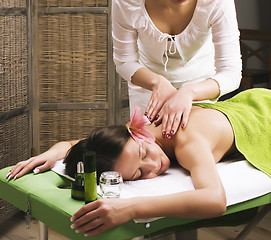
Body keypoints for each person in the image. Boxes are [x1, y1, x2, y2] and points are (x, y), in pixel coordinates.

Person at [7, 88, 271, 237]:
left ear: (140, 133)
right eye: (137, 174)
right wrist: (51, 154)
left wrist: (131, 208)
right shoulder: (132, 140)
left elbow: (214, 200)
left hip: (262, 112)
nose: (154, 167)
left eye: (145, 155)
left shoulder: (188, 142)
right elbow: (76, 145)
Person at [112, 0, 242, 137]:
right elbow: (125, 62)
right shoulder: (126, 2)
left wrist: (189, 92)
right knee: (147, 148)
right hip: (149, 88)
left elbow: (231, 72)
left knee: (191, 143)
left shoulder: (217, 2)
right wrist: (157, 82)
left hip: (200, 88)